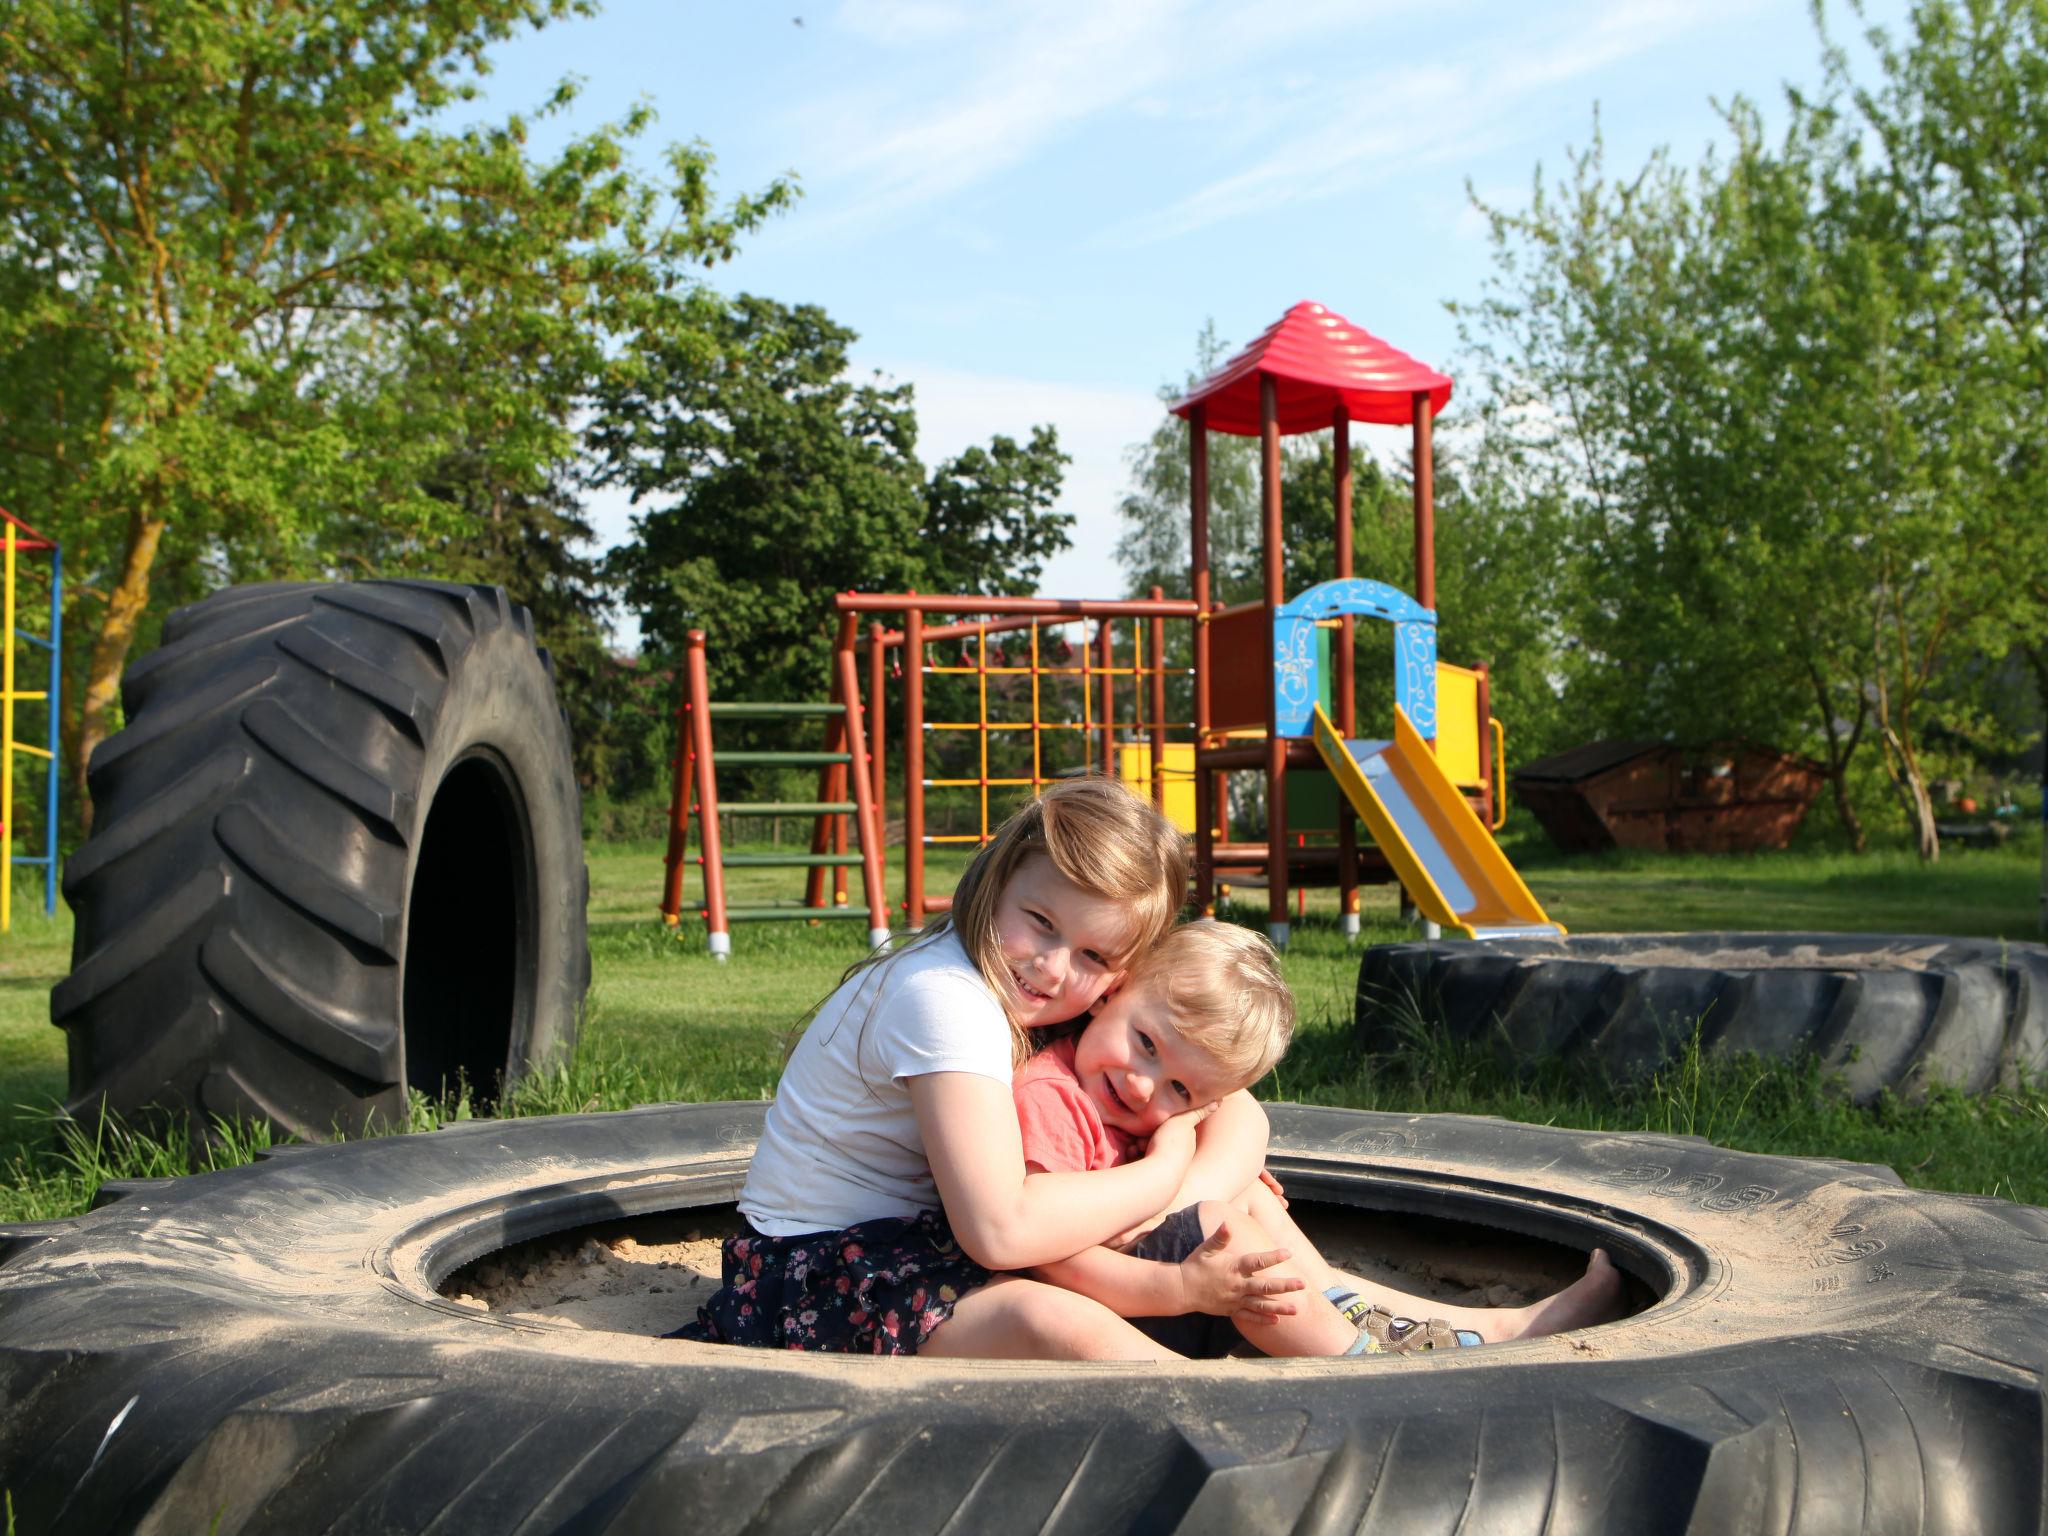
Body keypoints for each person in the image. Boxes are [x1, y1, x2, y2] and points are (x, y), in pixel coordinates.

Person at [676, 776, 1297, 1360]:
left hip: (929, 1241)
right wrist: (1163, 1174)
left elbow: (1238, 1110)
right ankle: (1209, 1410)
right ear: (997, 879)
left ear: (1119, 978)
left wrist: (1173, 1202)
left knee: (1239, 1197)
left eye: (1092, 954)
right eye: (1041, 922)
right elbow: (1000, 1232)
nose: (1053, 968)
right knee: (1048, 1318)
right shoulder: (947, 998)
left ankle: (1345, 1318)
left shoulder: (1049, 995)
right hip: (825, 1268)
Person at [1014, 919, 1625, 1356]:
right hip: (1119, 1309)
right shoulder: (1055, 1098)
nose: (1144, 1087)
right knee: (1216, 1228)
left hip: (1158, 1296)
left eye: (1181, 1090)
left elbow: (1237, 1120)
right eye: (1145, 1044)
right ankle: (1357, 1356)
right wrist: (1180, 1283)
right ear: (1110, 997)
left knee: (1244, 1196)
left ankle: (1399, 1321)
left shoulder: (1124, 1098)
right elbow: (1049, 1257)